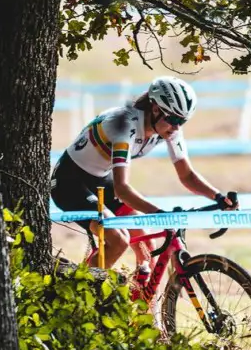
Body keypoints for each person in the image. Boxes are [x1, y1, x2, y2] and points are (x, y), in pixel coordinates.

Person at [50, 76, 238, 271]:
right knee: (118, 240)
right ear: (155, 109)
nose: (177, 127)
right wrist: (158, 214)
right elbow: (122, 188)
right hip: (70, 182)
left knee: (145, 243)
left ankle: (143, 300)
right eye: (174, 119)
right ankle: (80, 295)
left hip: (102, 181)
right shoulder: (123, 125)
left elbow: (187, 175)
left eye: (183, 121)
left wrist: (218, 197)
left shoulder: (168, 127)